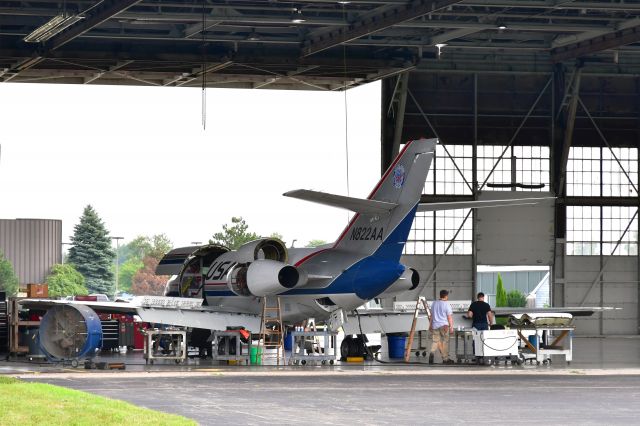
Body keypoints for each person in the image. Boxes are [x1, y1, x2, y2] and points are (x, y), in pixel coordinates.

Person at [429, 289, 454, 364]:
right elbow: (449, 317)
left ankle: (432, 352)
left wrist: (430, 325)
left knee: (435, 341)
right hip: (444, 326)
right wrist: (451, 327)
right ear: (446, 296)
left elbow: (431, 316)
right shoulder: (447, 304)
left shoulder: (434, 303)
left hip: (435, 325)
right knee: (445, 342)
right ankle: (445, 359)